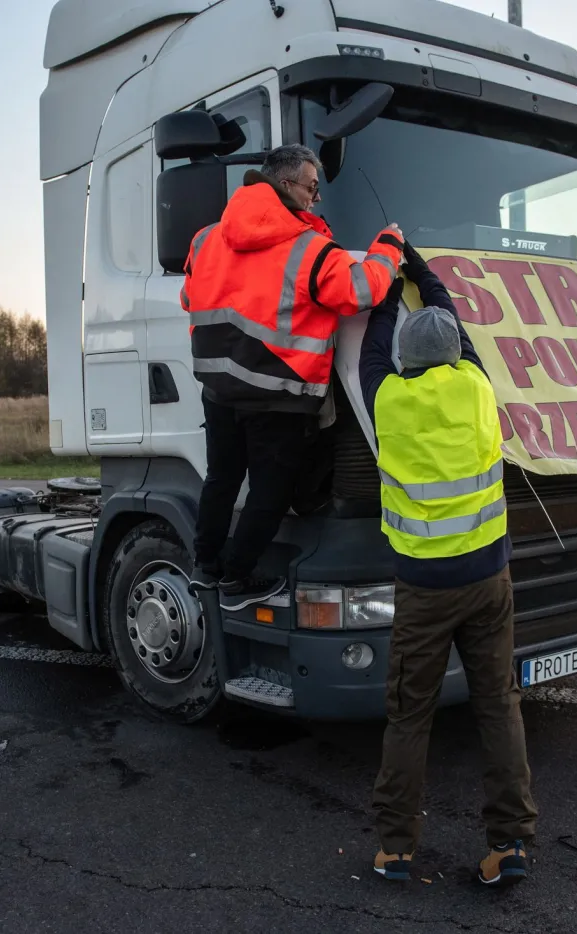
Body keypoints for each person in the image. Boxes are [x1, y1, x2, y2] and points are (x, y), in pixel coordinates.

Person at [359, 246, 537, 887]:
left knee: (410, 715)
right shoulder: (479, 387)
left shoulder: (387, 400)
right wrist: (416, 265)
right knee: (499, 707)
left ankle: (396, 849)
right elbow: (448, 311)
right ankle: (511, 845)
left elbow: (372, 346)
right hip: (490, 580)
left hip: (424, 588)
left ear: (405, 362)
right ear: (457, 350)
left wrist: (383, 275)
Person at [183, 143, 404, 611]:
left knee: (221, 479)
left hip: (219, 387)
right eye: (312, 188)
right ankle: (236, 581)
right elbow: (359, 290)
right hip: (277, 392)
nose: (316, 199)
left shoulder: (205, 239)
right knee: (270, 492)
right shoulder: (309, 248)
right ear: (285, 185)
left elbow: (190, 297)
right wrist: (388, 247)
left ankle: (205, 569)